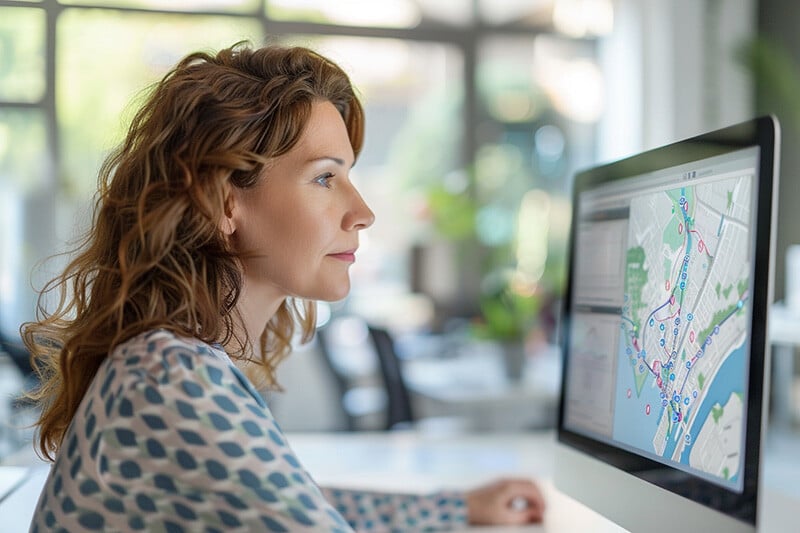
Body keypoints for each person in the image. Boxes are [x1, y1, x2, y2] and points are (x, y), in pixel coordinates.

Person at [23, 41, 546, 532]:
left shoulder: (170, 361)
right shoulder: (170, 376)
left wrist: (455, 509)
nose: (362, 213)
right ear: (225, 201)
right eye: (324, 178)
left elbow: (296, 499)